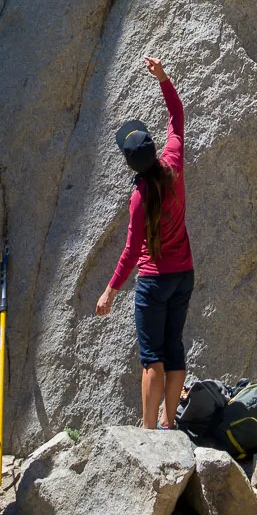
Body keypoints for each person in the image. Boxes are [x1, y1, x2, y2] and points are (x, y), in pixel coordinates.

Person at [93, 55, 194, 427]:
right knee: (174, 349)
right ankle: (169, 422)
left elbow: (132, 251)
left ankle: (149, 431)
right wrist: (164, 79)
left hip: (153, 282)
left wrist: (110, 291)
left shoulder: (139, 198)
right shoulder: (174, 164)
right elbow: (177, 117)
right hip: (183, 275)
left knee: (152, 358)